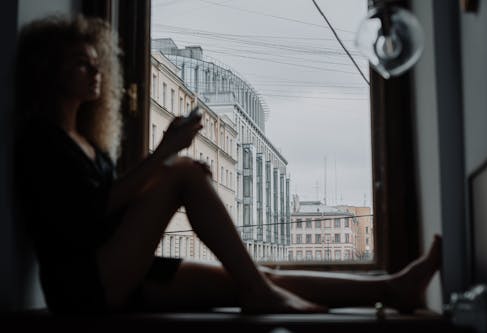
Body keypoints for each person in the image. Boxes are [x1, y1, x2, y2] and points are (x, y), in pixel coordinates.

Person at [14, 15, 441, 315]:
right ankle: (258, 292)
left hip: (122, 272)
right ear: (49, 72)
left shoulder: (87, 143)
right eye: (80, 63)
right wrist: (165, 157)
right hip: (84, 287)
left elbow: (111, 207)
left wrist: (160, 181)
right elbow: (91, 213)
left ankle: (392, 288)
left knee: (260, 272)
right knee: (183, 171)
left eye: (96, 61)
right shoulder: (42, 141)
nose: (96, 71)